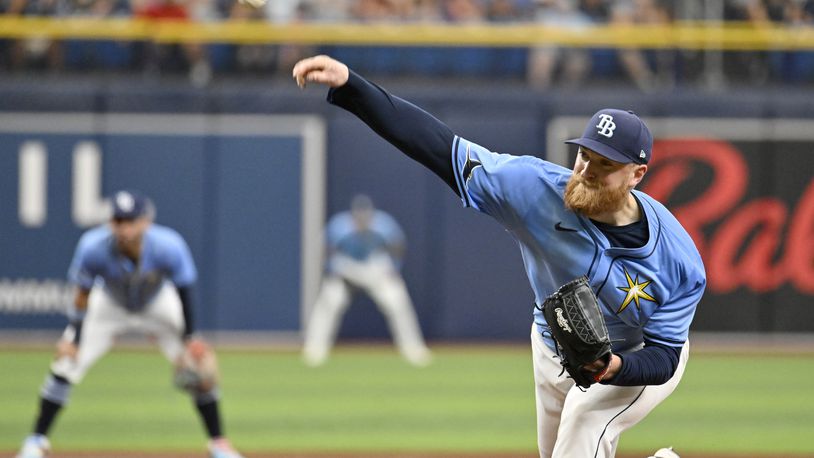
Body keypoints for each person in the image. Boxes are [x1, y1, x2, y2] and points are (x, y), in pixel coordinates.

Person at [292, 55, 706, 457]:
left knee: (585, 421)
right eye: (585, 155)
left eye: (605, 164)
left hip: (634, 359)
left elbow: (665, 357)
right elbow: (436, 146)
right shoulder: (534, 189)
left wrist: (613, 367)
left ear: (637, 174)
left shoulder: (678, 260)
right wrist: (353, 87)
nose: (587, 170)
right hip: (552, 346)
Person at [15, 190, 244, 458]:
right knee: (66, 362)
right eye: (118, 221)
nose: (124, 228)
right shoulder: (93, 246)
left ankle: (219, 443)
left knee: (199, 367)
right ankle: (36, 440)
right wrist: (74, 339)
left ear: (145, 221)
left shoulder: (168, 244)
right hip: (109, 303)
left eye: (130, 220)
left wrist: (190, 337)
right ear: (110, 222)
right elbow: (82, 295)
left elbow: (184, 291)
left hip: (156, 302)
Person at [303, 194, 432, 367]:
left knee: (397, 301)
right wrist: (331, 269)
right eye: (359, 217)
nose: (362, 221)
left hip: (374, 268)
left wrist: (394, 268)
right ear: (353, 216)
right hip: (346, 269)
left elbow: (398, 246)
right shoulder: (340, 226)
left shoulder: (383, 224)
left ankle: (413, 349)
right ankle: (315, 350)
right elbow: (325, 248)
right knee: (330, 302)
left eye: (366, 217)